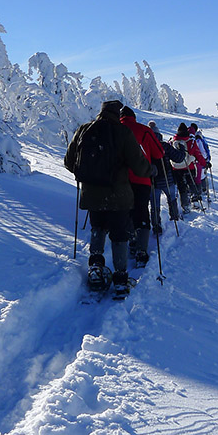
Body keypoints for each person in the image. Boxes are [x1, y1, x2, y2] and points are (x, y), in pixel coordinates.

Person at [64, 99, 150, 298]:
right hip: (118, 194)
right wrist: (149, 169)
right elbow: (138, 165)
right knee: (119, 235)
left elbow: (69, 162)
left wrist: (89, 175)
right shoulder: (123, 132)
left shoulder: (84, 129)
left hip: (92, 194)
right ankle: (120, 280)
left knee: (98, 228)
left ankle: (95, 269)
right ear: (117, 113)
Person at [120, 106, 164, 266]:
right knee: (141, 211)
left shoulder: (115, 130)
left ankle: (131, 240)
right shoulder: (143, 130)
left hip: (120, 180)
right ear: (134, 117)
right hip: (142, 178)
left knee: (127, 211)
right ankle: (141, 250)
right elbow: (159, 153)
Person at [150, 124, 188, 232]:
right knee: (172, 200)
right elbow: (178, 158)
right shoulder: (165, 146)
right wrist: (182, 150)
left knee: (154, 204)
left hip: (153, 181)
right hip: (168, 179)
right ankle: (175, 219)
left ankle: (156, 226)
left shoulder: (145, 146)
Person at [172, 122, 206, 208]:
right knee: (192, 184)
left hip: (177, 168)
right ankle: (195, 202)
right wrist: (205, 163)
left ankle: (185, 205)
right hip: (189, 167)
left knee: (182, 187)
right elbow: (198, 155)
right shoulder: (191, 142)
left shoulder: (173, 141)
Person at [189, 123, 212, 197]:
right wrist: (206, 160)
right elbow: (203, 152)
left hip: (195, 162)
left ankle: (196, 192)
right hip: (200, 162)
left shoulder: (194, 139)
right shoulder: (200, 139)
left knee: (196, 177)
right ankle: (202, 191)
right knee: (201, 176)